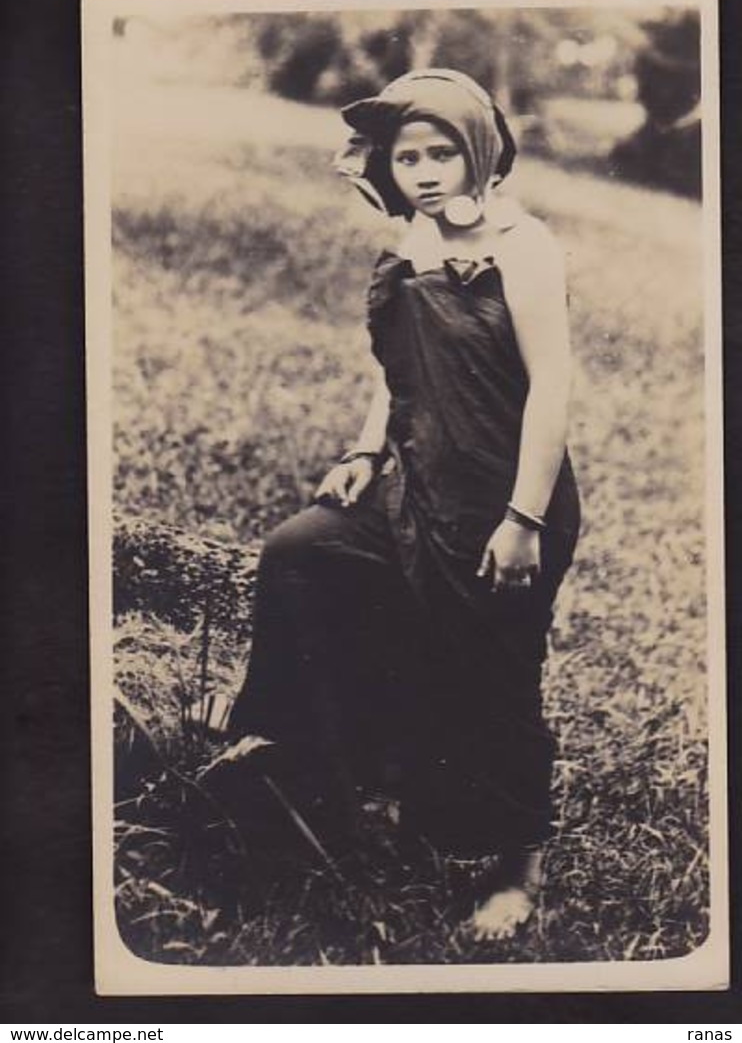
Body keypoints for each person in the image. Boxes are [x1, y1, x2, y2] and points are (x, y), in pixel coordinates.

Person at [205, 68, 580, 941]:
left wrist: (522, 520)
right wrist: (365, 450)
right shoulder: (411, 238)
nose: (423, 170)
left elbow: (553, 387)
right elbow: (402, 370)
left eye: (441, 151)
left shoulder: (525, 246)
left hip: (498, 496)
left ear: (479, 153)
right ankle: (311, 771)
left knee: (492, 671)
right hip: (410, 480)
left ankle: (517, 863)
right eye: (407, 156)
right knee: (303, 552)